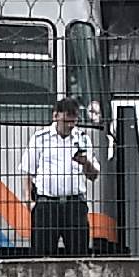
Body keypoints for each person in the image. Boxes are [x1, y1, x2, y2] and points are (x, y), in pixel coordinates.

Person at [16, 101, 98, 255]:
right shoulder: (40, 138)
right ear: (55, 116)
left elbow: (93, 176)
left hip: (74, 205)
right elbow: (27, 170)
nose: (70, 126)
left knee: (79, 255)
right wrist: (28, 200)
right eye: (66, 121)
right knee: (43, 256)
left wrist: (86, 162)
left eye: (74, 121)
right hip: (47, 205)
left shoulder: (82, 139)